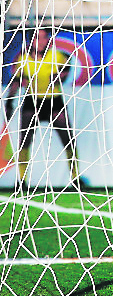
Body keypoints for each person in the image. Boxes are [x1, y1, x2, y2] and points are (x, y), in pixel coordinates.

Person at [4, 26, 87, 190]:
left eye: (45, 38)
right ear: (32, 41)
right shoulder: (23, 60)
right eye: (39, 38)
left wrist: (61, 76)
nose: (42, 41)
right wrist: (9, 101)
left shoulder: (55, 56)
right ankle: (21, 180)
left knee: (68, 139)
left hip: (53, 101)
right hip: (32, 102)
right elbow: (15, 81)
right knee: (24, 142)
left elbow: (68, 63)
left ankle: (76, 178)